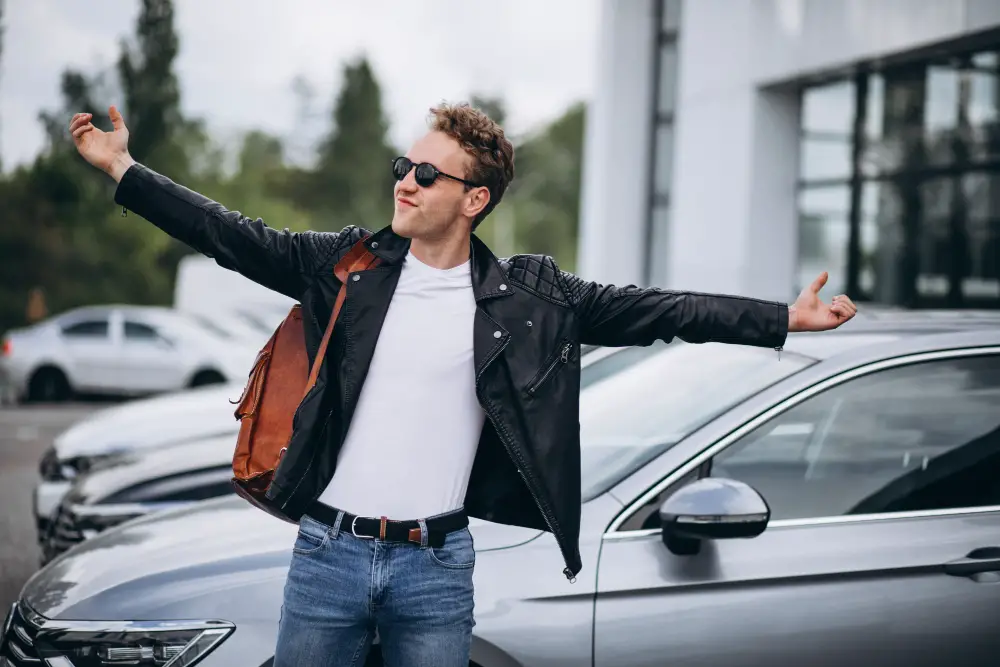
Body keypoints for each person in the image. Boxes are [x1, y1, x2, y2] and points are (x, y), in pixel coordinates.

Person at [69, 103, 857, 666]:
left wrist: (782, 319)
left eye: (424, 173)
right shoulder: (346, 266)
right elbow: (230, 235)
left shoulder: (532, 298)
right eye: (401, 167)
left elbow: (660, 309)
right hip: (327, 554)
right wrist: (124, 170)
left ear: (473, 199)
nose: (403, 183)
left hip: (436, 567)